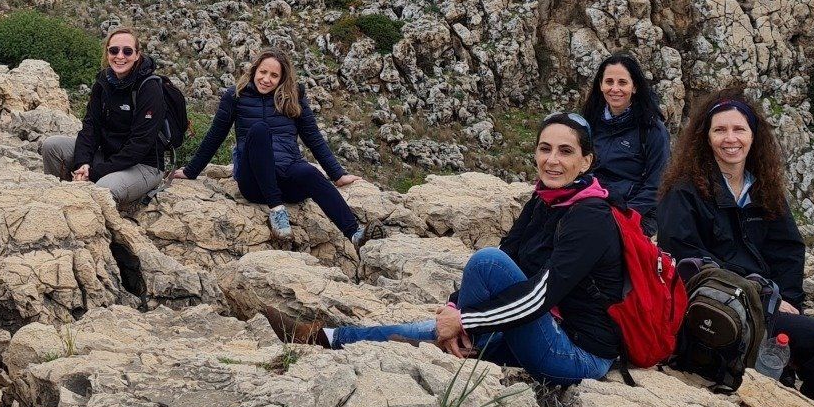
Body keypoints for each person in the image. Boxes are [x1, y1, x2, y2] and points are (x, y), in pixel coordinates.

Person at [262, 113, 619, 384]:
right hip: (539, 328)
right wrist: (456, 307)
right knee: (437, 326)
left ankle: (458, 335)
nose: (552, 160)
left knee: (487, 264)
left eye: (565, 151)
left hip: (574, 352)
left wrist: (464, 319)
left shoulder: (591, 217)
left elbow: (542, 293)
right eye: (545, 149)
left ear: (586, 161)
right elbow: (513, 256)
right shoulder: (545, 199)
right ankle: (326, 337)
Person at [657, 92, 814, 407]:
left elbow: (788, 251)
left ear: (753, 136)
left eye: (739, 129)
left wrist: (787, 298)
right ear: (705, 137)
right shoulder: (684, 191)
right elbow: (686, 258)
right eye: (720, 130)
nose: (730, 139)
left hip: (765, 301)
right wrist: (761, 295)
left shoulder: (762, 188)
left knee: (811, 336)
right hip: (718, 305)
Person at [173, 48, 366, 246]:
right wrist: (191, 171)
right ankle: (276, 211)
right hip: (253, 183)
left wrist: (338, 174)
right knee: (259, 130)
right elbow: (215, 135)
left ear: (282, 78)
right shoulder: (235, 95)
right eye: (263, 72)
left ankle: (355, 234)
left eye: (274, 75)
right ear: (254, 70)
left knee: (309, 172)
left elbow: (313, 137)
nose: (266, 79)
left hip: (287, 178)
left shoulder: (294, 97)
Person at [39, 26, 169, 208]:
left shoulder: (149, 88)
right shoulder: (104, 82)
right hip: (108, 156)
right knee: (52, 146)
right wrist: (82, 163)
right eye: (114, 50)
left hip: (142, 165)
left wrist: (94, 172)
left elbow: (139, 144)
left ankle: (86, 215)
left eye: (127, 51)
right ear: (107, 52)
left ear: (137, 55)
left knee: (102, 189)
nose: (120, 56)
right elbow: (90, 126)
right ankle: (62, 200)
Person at [582, 52, 670, 219]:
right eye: (609, 82)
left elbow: (657, 185)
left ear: (634, 87)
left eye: (622, 82)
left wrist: (624, 215)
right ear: (600, 85)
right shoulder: (589, 122)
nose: (615, 89)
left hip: (633, 211)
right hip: (590, 203)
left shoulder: (652, 130)